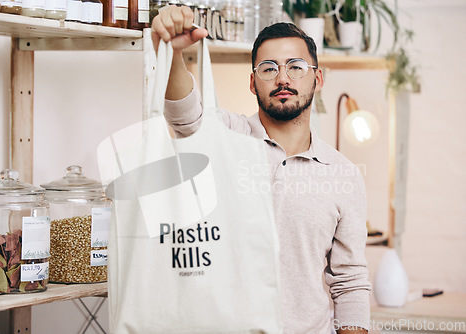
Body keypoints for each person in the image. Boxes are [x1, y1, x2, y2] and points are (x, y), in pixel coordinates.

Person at [151, 5, 371, 334]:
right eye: (268, 69)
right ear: (253, 83)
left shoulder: (344, 174)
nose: (283, 78)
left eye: (296, 67)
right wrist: (170, 50)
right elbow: (185, 116)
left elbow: (350, 283)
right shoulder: (226, 137)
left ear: (318, 78)